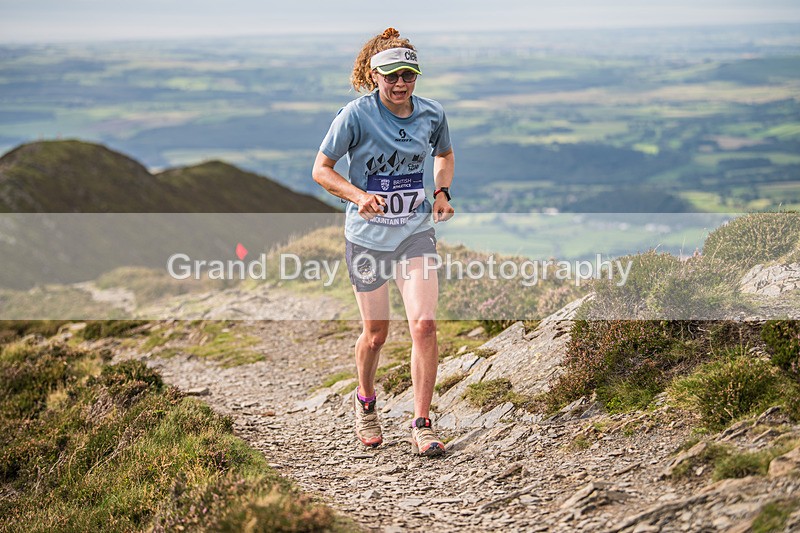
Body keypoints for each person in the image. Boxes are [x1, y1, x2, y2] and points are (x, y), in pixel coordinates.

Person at [312, 27, 455, 457]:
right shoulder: (355, 115)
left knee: (424, 324)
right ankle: (366, 403)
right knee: (376, 334)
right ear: (375, 74)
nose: (399, 84)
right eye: (391, 75)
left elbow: (444, 154)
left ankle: (422, 422)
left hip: (414, 233)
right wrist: (358, 196)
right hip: (367, 239)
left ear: (417, 76)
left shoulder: (432, 114)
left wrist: (442, 192)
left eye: (408, 75)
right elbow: (321, 169)